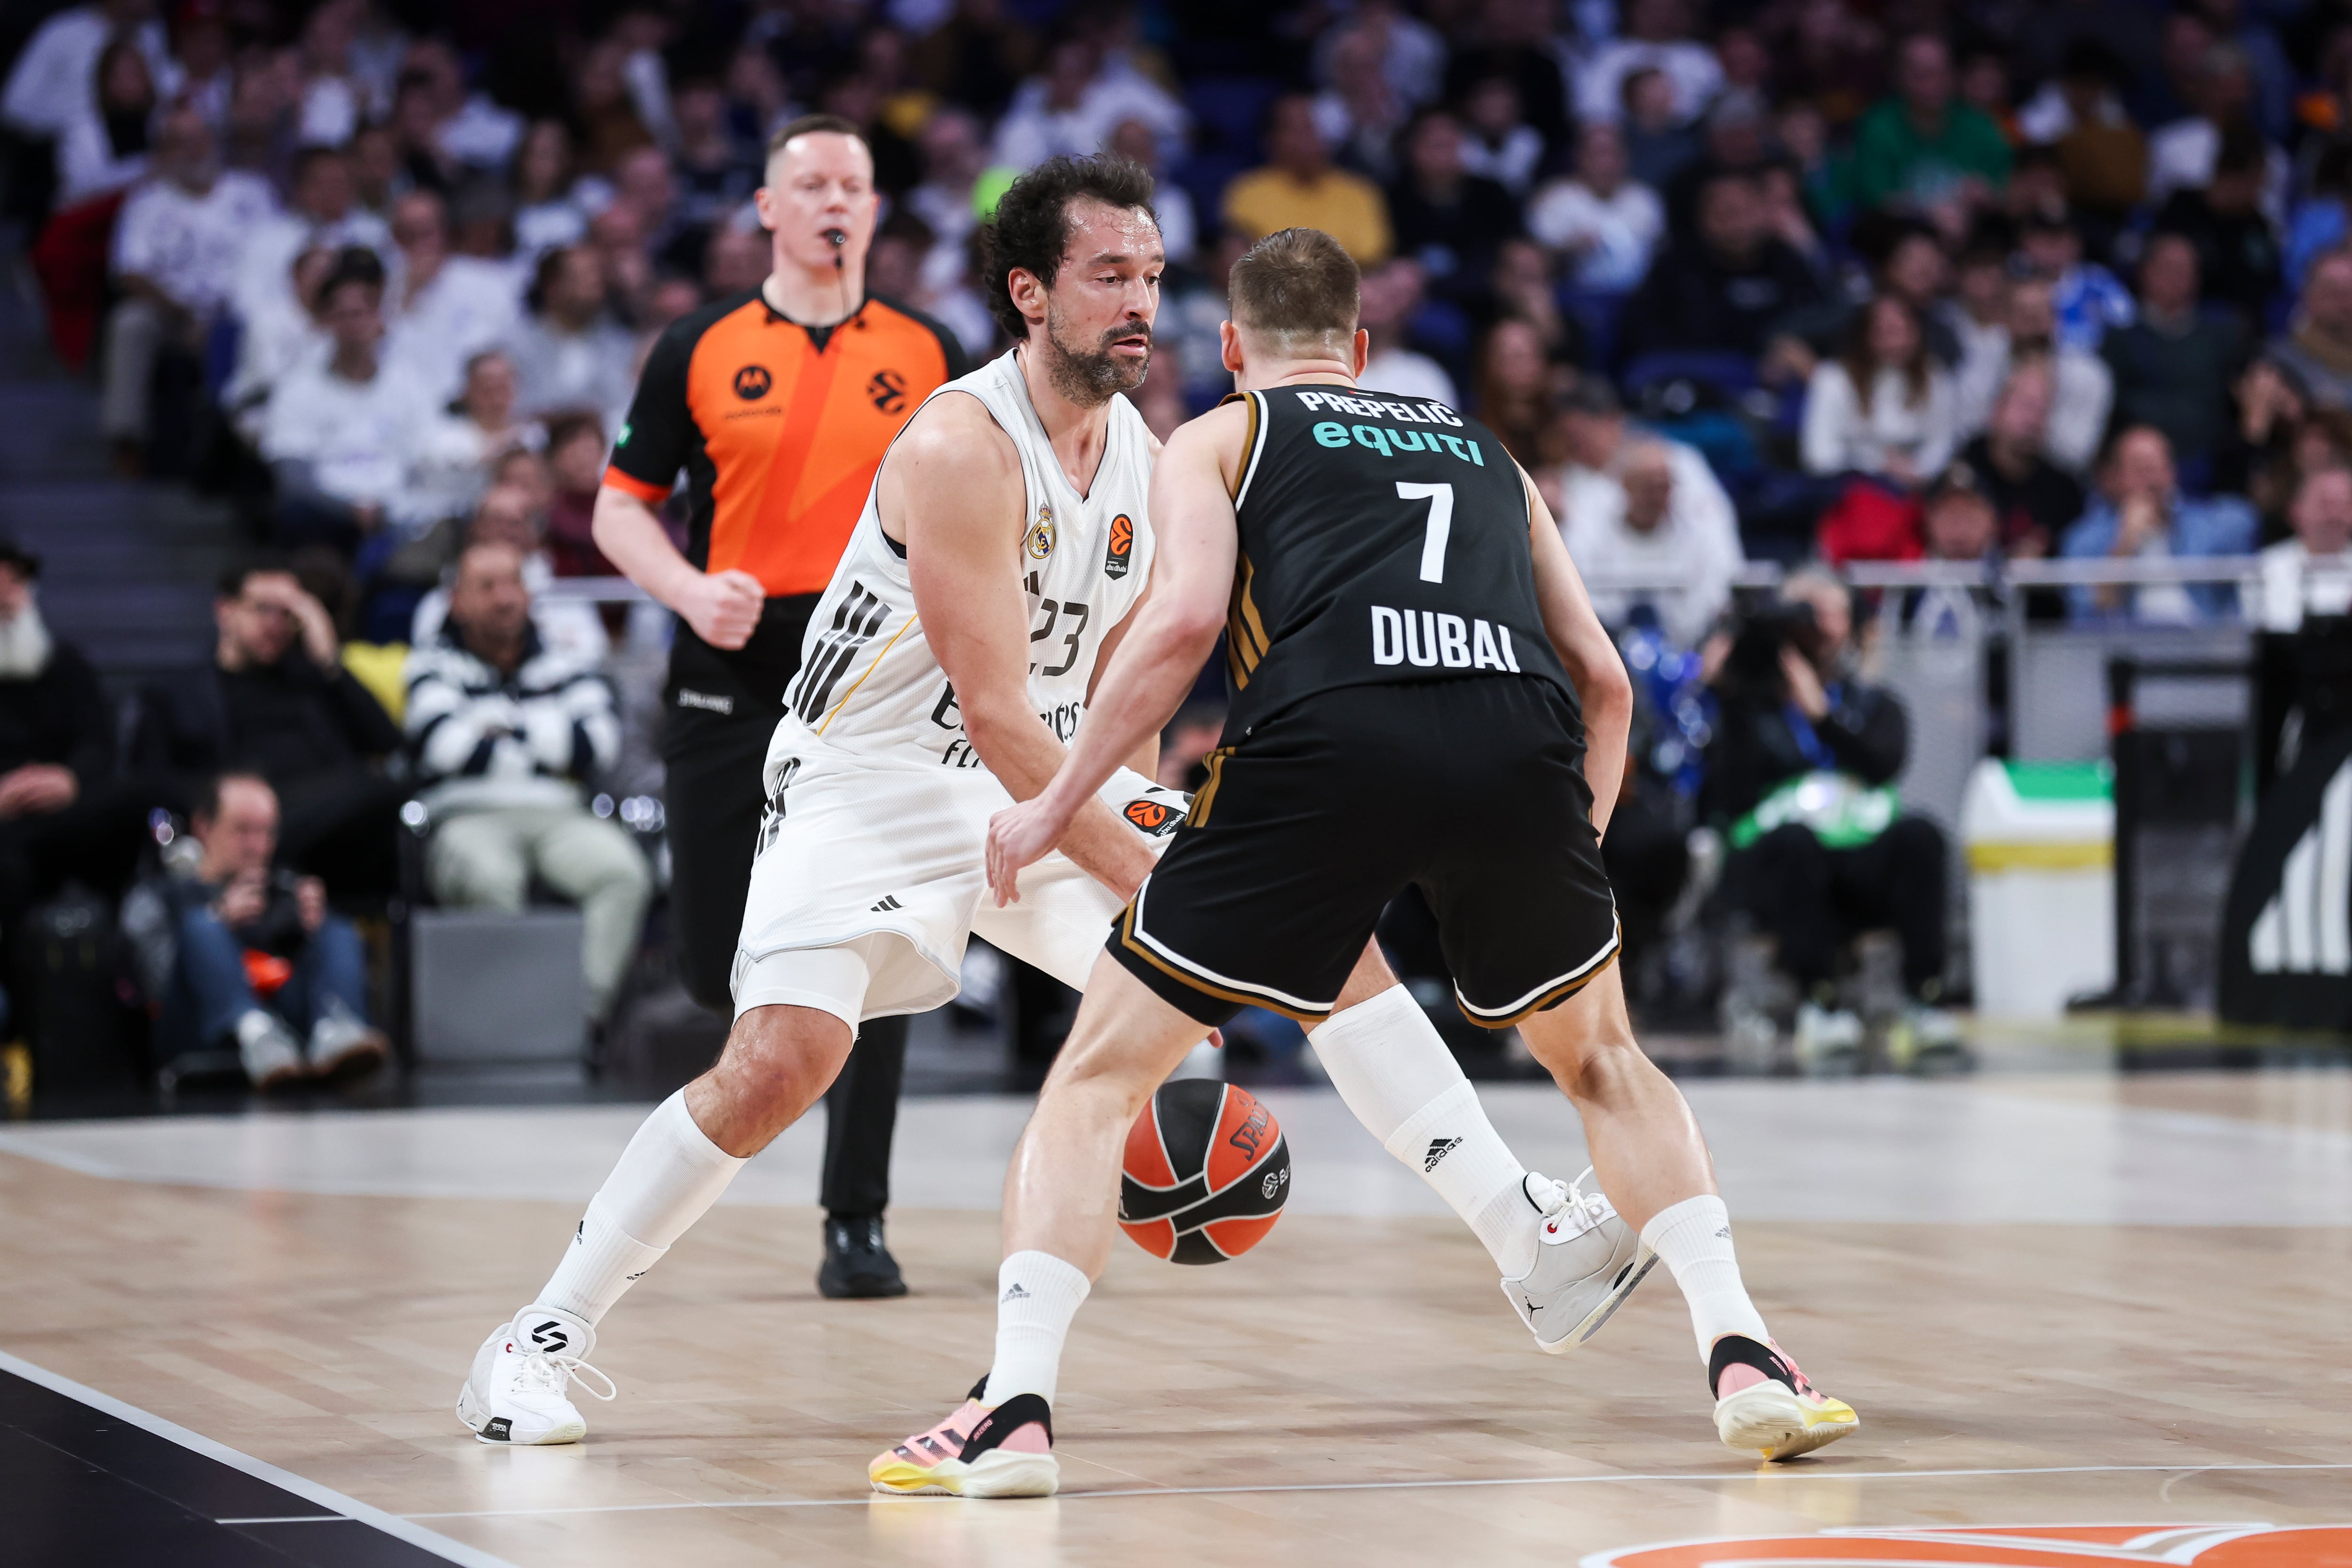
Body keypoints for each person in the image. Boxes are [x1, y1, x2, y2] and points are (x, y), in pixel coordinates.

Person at [452, 169, 1624, 1455]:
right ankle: (540, 1333)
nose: (1140, 305)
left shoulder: (1146, 446)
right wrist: (1156, 877)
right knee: (781, 1065)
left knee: (1317, 917)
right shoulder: (963, 442)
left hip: (1046, 766)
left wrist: (1190, 804)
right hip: (875, 777)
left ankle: (1524, 1227)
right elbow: (994, 710)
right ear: (1031, 293)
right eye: (1108, 277)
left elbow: (1116, 676)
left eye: (1153, 276)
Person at [909, 225, 1855, 1499]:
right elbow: (1610, 681)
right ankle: (1745, 1353)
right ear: (1360, 353)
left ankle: (1015, 1410)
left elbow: (1187, 624)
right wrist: (1571, 836)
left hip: (1327, 743)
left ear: (1235, 350)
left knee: (1097, 1077)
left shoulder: (1222, 437)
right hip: (1514, 741)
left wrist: (1056, 797)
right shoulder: (1489, 452)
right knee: (1609, 1061)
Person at [584, 114, 969, 1300]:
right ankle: (769, 1060)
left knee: (879, 939)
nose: (833, 201)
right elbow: (618, 508)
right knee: (716, 965)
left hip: (875, 673)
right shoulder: (696, 344)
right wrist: (690, 590)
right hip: (731, 661)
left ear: (875, 207)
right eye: (810, 183)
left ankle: (855, 1219)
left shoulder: (932, 347)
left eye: (852, 183)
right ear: (765, 207)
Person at [1703, 571, 1959, 1069]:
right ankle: (1818, 1004)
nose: (1814, 625)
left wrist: (1822, 718)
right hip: (1782, 868)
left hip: (1858, 860)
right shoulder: (1748, 702)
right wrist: (1726, 695)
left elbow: (1882, 763)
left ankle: (1923, 1000)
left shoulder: (1871, 702)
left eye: (1829, 611)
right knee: (1795, 844)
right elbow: (1726, 793)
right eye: (1803, 610)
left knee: (1920, 835)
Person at [403, 542, 649, 1030]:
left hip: (560, 813)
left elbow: (597, 744)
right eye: (486, 586)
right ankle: (508, 1022)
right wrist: (543, 739)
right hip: (466, 813)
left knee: (623, 873)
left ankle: (577, 1018)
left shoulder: (567, 662)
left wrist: (497, 730)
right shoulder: (430, 664)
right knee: (490, 877)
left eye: (513, 583)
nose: (504, 598)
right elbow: (445, 746)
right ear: (457, 600)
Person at [134, 558, 406, 900]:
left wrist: (329, 661)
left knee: (387, 787)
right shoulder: (176, 693)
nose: (276, 625)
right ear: (225, 610)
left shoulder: (314, 684)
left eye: (289, 614)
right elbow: (149, 781)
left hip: (326, 838)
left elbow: (388, 743)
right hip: (236, 822)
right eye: (263, 609)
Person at [154, 772, 387, 1090]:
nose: (258, 847)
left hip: (285, 1025)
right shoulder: (164, 895)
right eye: (243, 831)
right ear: (204, 827)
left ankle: (336, 1025)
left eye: (267, 832)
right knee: (201, 927)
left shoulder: (284, 888)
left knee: (337, 930)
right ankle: (255, 1031)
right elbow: (155, 984)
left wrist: (310, 926)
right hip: (201, 1026)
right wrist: (219, 918)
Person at [102, 107, 277, 468]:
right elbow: (129, 272)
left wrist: (231, 313)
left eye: (200, 138)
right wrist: (183, 313)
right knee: (130, 322)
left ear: (215, 141)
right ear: (163, 152)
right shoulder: (146, 203)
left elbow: (280, 256)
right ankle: (127, 439)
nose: (194, 149)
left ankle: (254, 447)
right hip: (173, 315)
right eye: (181, 142)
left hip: (243, 310)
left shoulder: (253, 193)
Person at [258, 251, 437, 554]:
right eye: (342, 315)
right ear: (327, 322)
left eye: (360, 313)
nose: (352, 325)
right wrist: (349, 510)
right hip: (326, 513)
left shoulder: (409, 383)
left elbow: (424, 457)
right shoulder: (298, 388)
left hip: (396, 511)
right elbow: (291, 473)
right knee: (295, 516)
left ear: (378, 319)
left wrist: (390, 507)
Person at [1550, 379, 1743, 646]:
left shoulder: (1679, 464)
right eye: (1570, 442)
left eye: (1581, 438)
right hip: (1608, 635)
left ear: (1613, 422)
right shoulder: (1570, 486)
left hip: (1692, 624)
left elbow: (1722, 554)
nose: (1577, 450)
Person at [2061, 425, 2258, 621]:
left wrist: (2171, 519)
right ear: (2115, 478)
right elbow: (2087, 619)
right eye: (2140, 469)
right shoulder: (2084, 539)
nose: (2152, 480)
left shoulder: (2201, 523)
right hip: (2128, 647)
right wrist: (2124, 544)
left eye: (2159, 466)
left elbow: (2248, 520)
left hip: (2202, 641)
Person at [2101, 231, 2248, 474]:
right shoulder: (2119, 339)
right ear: (2144, 272)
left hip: (2210, 466)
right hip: (2138, 467)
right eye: (2168, 267)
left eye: (2187, 268)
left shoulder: (2224, 336)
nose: (2178, 276)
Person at [1801, 297, 1960, 484]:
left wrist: (1918, 471)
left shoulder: (1934, 377)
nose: (1897, 343)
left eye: (1905, 331)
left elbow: (1943, 441)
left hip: (1919, 488)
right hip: (1852, 490)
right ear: (1864, 335)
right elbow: (1819, 456)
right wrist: (1879, 469)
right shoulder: (1832, 379)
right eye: (1885, 333)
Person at [1222, 94, 1392, 265]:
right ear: (1272, 139)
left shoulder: (1360, 192)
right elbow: (1243, 258)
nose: (1309, 138)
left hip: (1350, 287)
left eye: (1315, 127)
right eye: (1297, 129)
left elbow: (1372, 255)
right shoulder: (1247, 193)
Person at [2258, 463, 2352, 631]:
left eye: (2345, 505)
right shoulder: (2265, 567)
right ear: (2296, 510)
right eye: (2325, 504)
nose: (2335, 515)